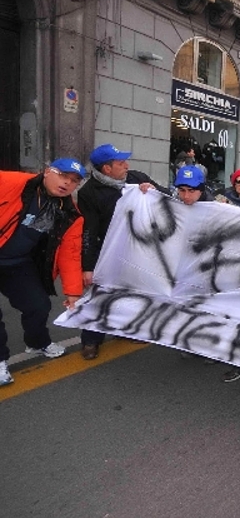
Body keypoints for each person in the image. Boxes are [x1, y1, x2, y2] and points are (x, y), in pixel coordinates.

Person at [79, 144, 170, 360]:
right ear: (106, 169)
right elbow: (88, 231)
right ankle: (91, 340)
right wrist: (88, 267)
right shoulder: (88, 192)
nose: (126, 165)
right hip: (107, 250)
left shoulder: (136, 178)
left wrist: (155, 191)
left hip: (138, 248)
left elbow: (169, 198)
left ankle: (124, 329)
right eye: (120, 163)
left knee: (131, 293)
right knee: (99, 296)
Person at [0, 158, 86, 385]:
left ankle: (36, 343)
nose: (67, 183)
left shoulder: (69, 213)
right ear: (47, 172)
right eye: (63, 176)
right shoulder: (13, 182)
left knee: (39, 305)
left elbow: (70, 253)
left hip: (17, 262)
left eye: (74, 181)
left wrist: (73, 292)